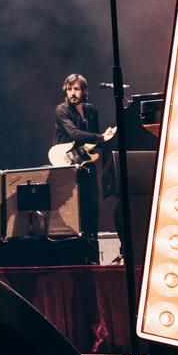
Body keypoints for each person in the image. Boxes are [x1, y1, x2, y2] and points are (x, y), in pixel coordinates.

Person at [53, 74, 112, 238]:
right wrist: (100, 138)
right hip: (67, 162)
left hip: (86, 162)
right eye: (69, 89)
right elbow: (74, 133)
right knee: (73, 207)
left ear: (84, 91)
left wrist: (105, 138)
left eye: (76, 89)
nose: (72, 93)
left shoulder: (91, 110)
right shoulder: (62, 109)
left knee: (92, 204)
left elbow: (93, 139)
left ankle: (92, 245)